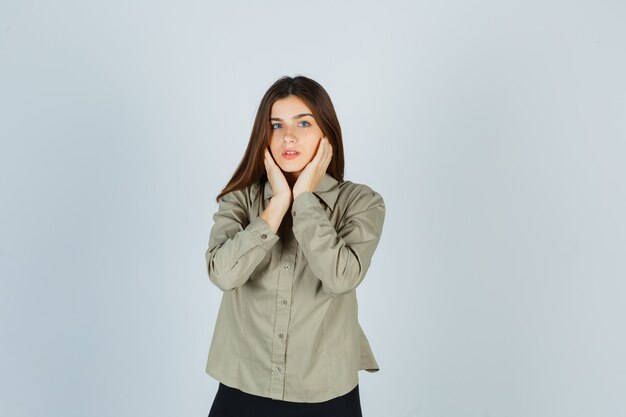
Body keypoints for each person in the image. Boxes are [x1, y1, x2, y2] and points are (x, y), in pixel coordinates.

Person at [204, 75, 386, 417]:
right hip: (243, 384)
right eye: (276, 125)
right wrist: (276, 208)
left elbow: (341, 278)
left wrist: (303, 199)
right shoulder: (240, 199)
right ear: (264, 136)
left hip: (325, 392)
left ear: (326, 134)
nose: (288, 135)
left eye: (304, 122)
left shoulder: (362, 202)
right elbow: (223, 275)